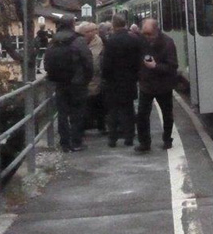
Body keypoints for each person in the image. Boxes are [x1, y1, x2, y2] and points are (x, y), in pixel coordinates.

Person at [42, 15, 93, 152]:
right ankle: (76, 142)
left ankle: (64, 143)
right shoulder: (78, 40)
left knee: (62, 113)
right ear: (72, 24)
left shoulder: (53, 40)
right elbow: (88, 62)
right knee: (77, 113)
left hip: (59, 82)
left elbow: (46, 61)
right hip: (77, 82)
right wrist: (87, 79)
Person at [136, 18, 179, 150]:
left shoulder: (167, 42)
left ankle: (167, 139)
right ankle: (144, 142)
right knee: (142, 114)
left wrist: (155, 66)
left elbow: (173, 66)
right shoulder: (141, 41)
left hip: (163, 85)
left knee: (167, 114)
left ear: (156, 31)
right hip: (146, 84)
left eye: (149, 34)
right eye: (145, 34)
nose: (147, 37)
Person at [101, 14, 143, 148]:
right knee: (128, 110)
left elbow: (106, 64)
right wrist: (136, 76)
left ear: (113, 25)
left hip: (113, 81)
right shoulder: (134, 39)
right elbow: (139, 60)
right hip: (129, 80)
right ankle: (129, 138)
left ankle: (112, 139)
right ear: (125, 24)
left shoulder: (110, 41)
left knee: (112, 111)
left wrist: (106, 78)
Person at [77, 22, 105, 133]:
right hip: (83, 79)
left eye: (93, 30)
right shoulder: (79, 42)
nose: (91, 33)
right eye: (88, 31)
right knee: (85, 103)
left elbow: (96, 61)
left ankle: (100, 125)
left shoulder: (99, 42)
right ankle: (84, 125)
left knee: (97, 102)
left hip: (96, 78)